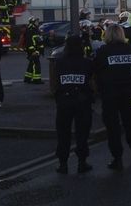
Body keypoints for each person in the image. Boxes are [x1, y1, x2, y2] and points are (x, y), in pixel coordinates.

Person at [94, 24, 131, 170]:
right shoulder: (130, 49)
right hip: (127, 92)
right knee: (130, 124)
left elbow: (97, 70)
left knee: (113, 128)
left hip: (110, 94)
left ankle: (118, 158)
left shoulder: (103, 51)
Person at [52, 35, 94, 174]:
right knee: (82, 133)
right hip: (82, 101)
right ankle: (82, 162)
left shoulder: (60, 62)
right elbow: (91, 82)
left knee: (63, 133)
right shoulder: (87, 62)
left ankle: (63, 163)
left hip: (64, 101)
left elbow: (56, 83)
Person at [24, 16, 44, 84]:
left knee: (31, 64)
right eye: (36, 21)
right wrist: (33, 51)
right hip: (34, 51)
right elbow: (29, 42)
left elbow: (38, 40)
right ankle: (36, 80)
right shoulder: (31, 30)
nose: (38, 23)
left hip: (36, 50)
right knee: (36, 65)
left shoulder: (35, 29)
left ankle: (27, 78)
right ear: (32, 22)